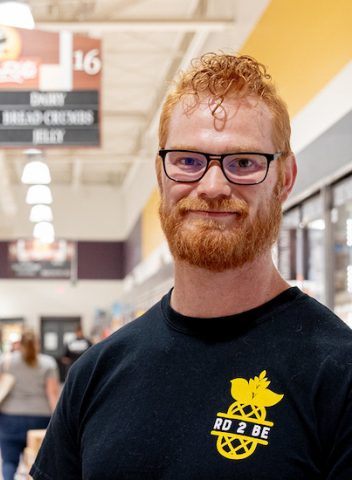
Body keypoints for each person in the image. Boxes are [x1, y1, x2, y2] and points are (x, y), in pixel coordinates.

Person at [31, 52, 352, 479]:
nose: (214, 186)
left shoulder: (339, 373)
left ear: (285, 179)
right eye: (188, 161)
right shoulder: (97, 372)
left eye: (243, 163)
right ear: (161, 176)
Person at [0, 329, 60, 480]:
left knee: (9, 462)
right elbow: (52, 393)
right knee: (38, 463)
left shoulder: (6, 360)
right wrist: (58, 421)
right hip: (40, 418)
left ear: (20, 344)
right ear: (38, 344)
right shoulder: (48, 363)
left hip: (9, 417)